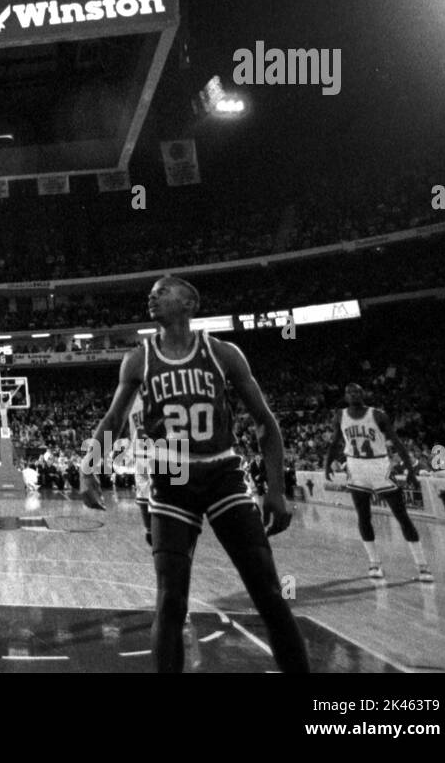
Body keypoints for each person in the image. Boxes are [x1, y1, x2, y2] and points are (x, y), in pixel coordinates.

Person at [80, 276, 310, 673]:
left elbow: (264, 422)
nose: (153, 295)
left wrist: (276, 489)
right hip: (171, 474)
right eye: (151, 292)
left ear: (189, 303)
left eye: (163, 291)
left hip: (222, 469)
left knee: (268, 593)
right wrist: (89, 468)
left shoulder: (222, 352)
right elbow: (114, 419)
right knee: (170, 600)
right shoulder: (138, 359)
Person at [323, 383, 432, 583]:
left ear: (363, 394)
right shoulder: (340, 415)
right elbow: (336, 441)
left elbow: (397, 442)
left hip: (379, 465)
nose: (354, 394)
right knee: (363, 516)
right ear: (345, 396)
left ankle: (422, 566)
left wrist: (410, 470)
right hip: (356, 467)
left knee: (402, 516)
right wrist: (327, 464)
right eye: (350, 392)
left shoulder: (378, 415)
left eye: (357, 391)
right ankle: (374, 563)